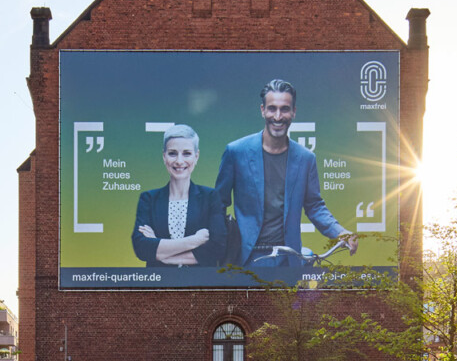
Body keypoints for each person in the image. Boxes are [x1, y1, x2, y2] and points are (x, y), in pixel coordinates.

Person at [213, 79, 355, 269]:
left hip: (289, 260)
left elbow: (314, 206)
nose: (278, 116)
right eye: (272, 108)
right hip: (245, 259)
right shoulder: (235, 152)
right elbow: (218, 204)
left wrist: (340, 232)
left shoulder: (306, 158)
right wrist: (221, 245)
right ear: (262, 110)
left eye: (285, 109)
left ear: (294, 112)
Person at [132, 124, 228, 267]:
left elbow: (217, 248)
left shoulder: (211, 197)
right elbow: (142, 248)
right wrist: (194, 241)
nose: (179, 161)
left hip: (200, 286)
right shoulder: (149, 199)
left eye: (187, 153)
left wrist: (163, 255)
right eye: (172, 153)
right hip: (159, 285)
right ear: (164, 156)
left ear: (197, 156)